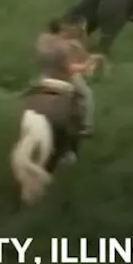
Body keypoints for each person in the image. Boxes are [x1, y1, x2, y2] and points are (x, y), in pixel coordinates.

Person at [35, 18, 102, 160]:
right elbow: (71, 68)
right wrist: (88, 63)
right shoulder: (63, 46)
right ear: (60, 31)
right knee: (86, 95)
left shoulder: (42, 40)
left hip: (45, 76)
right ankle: (86, 126)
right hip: (63, 77)